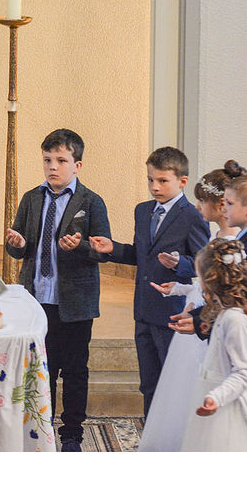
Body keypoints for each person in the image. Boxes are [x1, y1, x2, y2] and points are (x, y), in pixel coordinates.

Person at [4, 129, 111, 452]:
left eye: (61, 160)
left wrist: (79, 248)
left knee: (75, 368)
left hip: (75, 302)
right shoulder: (31, 198)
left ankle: (72, 433)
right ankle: (42, 426)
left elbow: (102, 251)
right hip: (37, 300)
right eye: (48, 160)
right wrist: (18, 245)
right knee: (42, 368)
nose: (53, 167)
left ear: (77, 165)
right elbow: (19, 247)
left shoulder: (91, 202)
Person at [89, 146, 210, 418]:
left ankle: (171, 441)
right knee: (149, 384)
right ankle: (150, 440)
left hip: (173, 313)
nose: (154, 186)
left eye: (162, 181)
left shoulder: (192, 216)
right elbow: (140, 255)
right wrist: (113, 249)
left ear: (182, 181)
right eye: (150, 179)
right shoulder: (143, 211)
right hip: (143, 310)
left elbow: (204, 265)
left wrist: (180, 264)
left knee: (171, 384)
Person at [139, 165, 241, 451]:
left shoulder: (233, 246)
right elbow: (205, 285)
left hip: (206, 329)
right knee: (179, 392)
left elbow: (226, 295)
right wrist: (181, 288)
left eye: (201, 200)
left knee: (194, 388)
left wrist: (199, 315)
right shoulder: (214, 238)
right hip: (195, 319)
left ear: (220, 205)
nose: (197, 206)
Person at [179, 238, 247, 451]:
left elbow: (243, 371)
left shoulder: (234, 319)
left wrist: (216, 397)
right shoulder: (223, 312)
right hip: (210, 393)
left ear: (210, 280)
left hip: (225, 407)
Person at [172, 162, 247, 340]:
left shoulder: (241, 245)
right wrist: (198, 315)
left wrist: (201, 322)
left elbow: (240, 299)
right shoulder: (240, 241)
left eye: (229, 203)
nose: (224, 208)